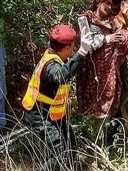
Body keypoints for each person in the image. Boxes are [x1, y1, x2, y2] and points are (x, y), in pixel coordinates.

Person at [21, 23, 94, 168]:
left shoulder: (55, 55)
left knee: (70, 142)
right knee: (59, 150)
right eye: (73, 46)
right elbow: (60, 76)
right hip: (39, 114)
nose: (74, 49)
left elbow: (70, 68)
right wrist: (81, 52)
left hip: (53, 112)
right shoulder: (51, 65)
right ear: (66, 48)